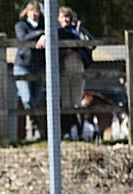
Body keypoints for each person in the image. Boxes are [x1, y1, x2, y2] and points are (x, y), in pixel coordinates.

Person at [56, 6, 91, 140]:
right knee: (66, 102)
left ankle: (79, 132)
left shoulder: (78, 31)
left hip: (78, 67)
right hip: (64, 69)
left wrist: (77, 48)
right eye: (63, 16)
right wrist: (65, 52)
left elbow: (89, 45)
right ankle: (66, 131)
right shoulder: (57, 32)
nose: (66, 19)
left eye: (68, 16)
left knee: (76, 100)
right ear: (58, 19)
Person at [14, 1, 46, 141]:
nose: (34, 13)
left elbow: (56, 31)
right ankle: (34, 127)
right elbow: (23, 38)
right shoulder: (20, 25)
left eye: (37, 10)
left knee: (37, 98)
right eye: (31, 10)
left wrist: (45, 35)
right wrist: (42, 34)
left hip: (39, 65)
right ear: (26, 12)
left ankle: (33, 131)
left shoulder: (45, 24)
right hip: (23, 65)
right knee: (26, 97)